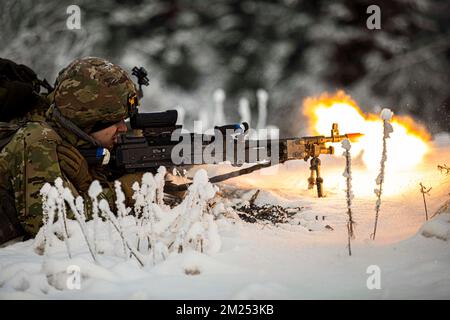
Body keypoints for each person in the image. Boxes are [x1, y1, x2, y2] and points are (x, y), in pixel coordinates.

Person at [0, 57, 143, 240]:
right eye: (115, 121)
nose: (123, 128)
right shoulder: (37, 139)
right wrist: (121, 193)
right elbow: (55, 223)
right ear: (88, 121)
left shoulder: (77, 139)